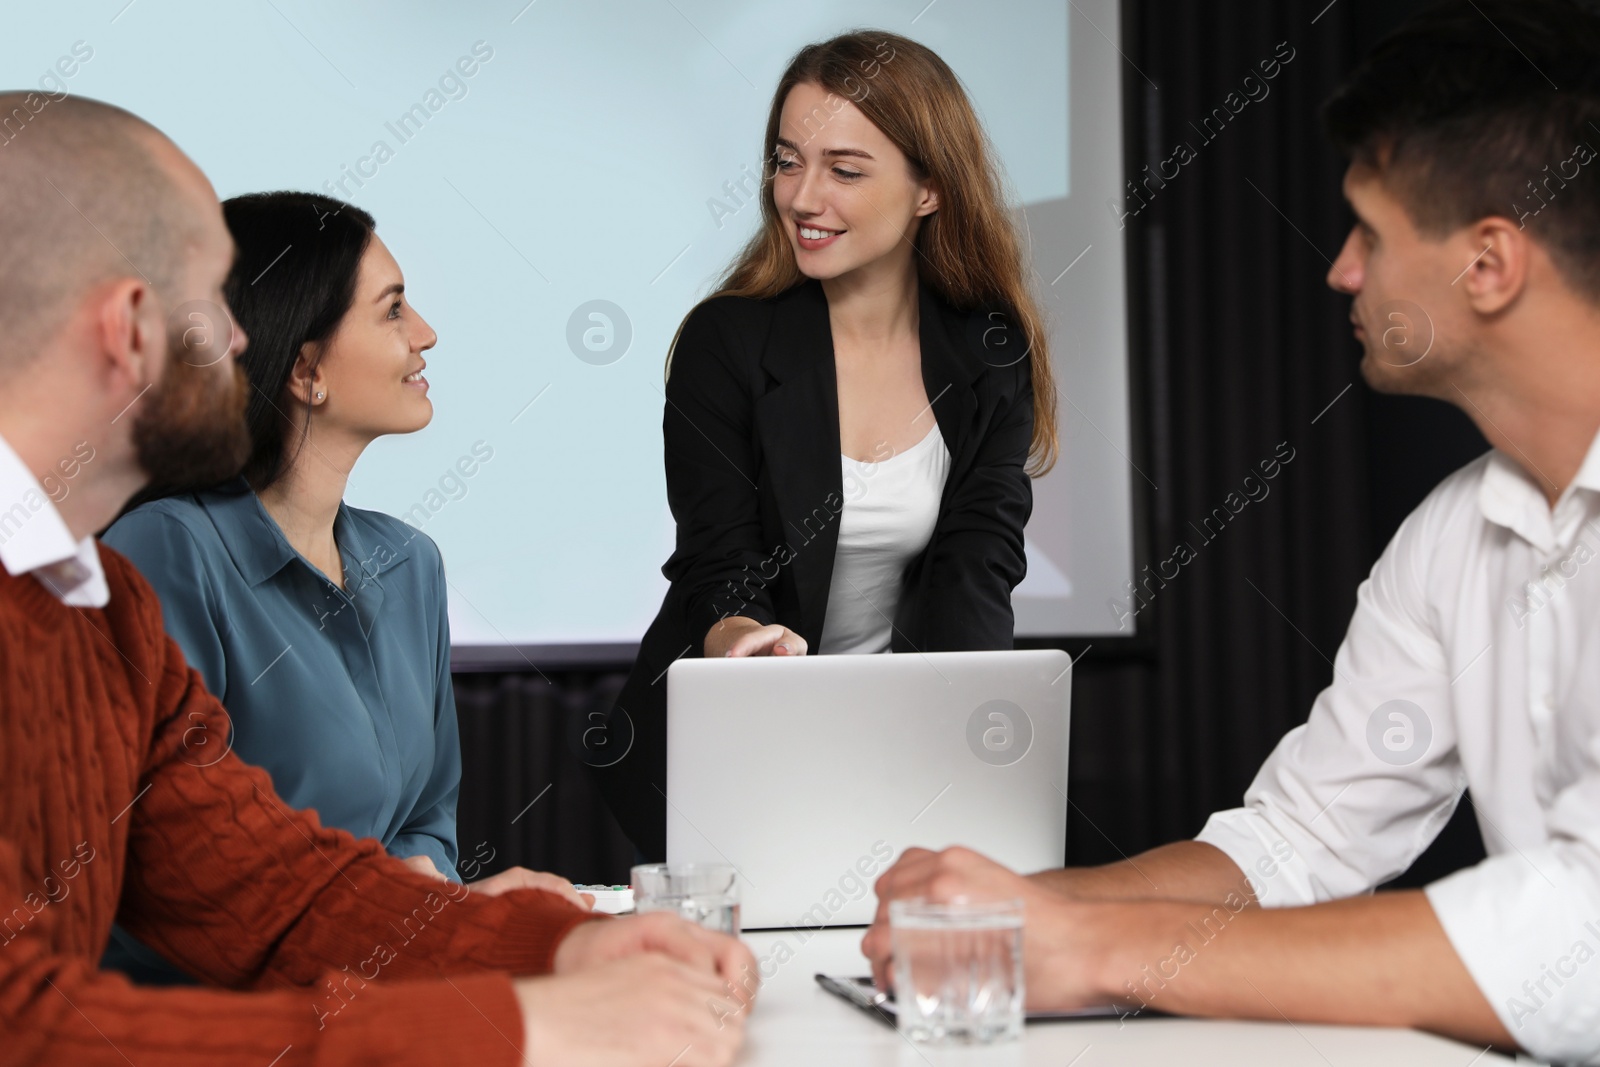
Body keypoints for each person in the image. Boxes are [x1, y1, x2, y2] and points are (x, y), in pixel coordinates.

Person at [861, 1, 1600, 1062]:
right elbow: (1301, 838)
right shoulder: (1454, 532)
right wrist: (1009, 907)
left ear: (1489, 263)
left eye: (1371, 232)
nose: (1342, 268)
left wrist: (1094, 944)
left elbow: (1579, 926)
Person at [0, 93, 754, 1066]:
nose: (241, 341)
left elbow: (272, 894)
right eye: (213, 297)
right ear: (131, 323)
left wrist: (564, 946)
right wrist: (516, 1026)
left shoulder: (100, 605)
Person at [97, 191, 590, 986]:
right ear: (305, 368)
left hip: (375, 986)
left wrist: (443, 909)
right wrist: (447, 923)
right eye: (393, 311)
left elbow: (425, 821)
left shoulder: (410, 562)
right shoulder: (167, 551)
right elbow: (171, 874)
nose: (425, 333)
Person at [592, 30, 1060, 857]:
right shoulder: (726, 341)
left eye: (845, 170)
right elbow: (719, 559)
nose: (803, 198)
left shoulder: (988, 351)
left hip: (894, 753)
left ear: (929, 190)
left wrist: (964, 762)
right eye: (786, 161)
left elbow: (978, 566)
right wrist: (739, 635)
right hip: (723, 759)